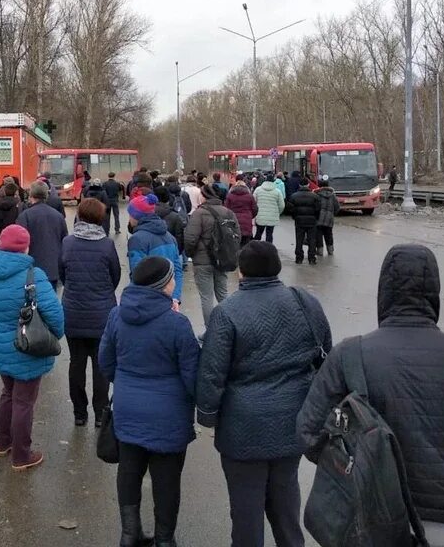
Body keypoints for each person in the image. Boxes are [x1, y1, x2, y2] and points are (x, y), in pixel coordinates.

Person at [298, 245, 444, 547]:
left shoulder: (348, 355)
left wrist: (360, 475)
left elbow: (309, 433)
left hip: (372, 524)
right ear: (434, 293)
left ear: (383, 292)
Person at [197, 241, 332, 547]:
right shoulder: (305, 302)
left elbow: (212, 372)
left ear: (241, 272)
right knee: (285, 502)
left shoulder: (227, 313)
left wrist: (207, 414)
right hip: (295, 419)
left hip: (243, 426)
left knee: (246, 511)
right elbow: (325, 353)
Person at [99, 256, 200, 547]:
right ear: (161, 286)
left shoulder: (117, 315)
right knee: (166, 480)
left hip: (127, 409)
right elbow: (192, 376)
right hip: (168, 416)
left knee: (129, 470)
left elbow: (106, 361)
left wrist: (128, 383)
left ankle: (129, 534)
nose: (174, 282)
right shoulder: (177, 324)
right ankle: (165, 540)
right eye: (171, 278)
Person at [0, 224, 64, 471]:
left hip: (0, 344)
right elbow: (55, 317)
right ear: (26, 246)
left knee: (8, 393)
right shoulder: (34, 276)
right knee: (24, 401)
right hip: (27, 347)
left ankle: (2, 443)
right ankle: (21, 456)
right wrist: (51, 337)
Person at [59, 199, 120, 427]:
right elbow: (115, 276)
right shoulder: (107, 245)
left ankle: (79, 413)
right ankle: (101, 414)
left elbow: (62, 273)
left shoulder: (67, 242)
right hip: (102, 313)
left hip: (73, 311)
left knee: (76, 362)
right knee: (101, 365)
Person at [184, 185, 240, 332]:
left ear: (205, 196)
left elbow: (190, 238)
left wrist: (191, 254)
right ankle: (229, 326)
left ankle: (210, 331)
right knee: (223, 293)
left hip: (202, 261)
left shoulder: (199, 213)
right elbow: (237, 236)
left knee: (206, 297)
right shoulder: (229, 212)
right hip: (222, 260)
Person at [127, 193, 183, 309]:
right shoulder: (169, 236)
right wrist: (175, 298)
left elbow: (138, 275)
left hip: (148, 301)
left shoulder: (137, 239)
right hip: (168, 298)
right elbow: (177, 269)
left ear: (136, 216)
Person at [16, 181, 68, 290]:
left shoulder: (25, 216)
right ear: (46, 195)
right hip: (53, 269)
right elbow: (65, 243)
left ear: (31, 195)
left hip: (31, 270)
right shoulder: (58, 216)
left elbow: (19, 245)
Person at [287, 182, 321, 265]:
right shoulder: (315, 196)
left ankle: (299, 258)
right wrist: (316, 218)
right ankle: (312, 258)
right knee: (312, 240)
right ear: (308, 185)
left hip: (299, 221)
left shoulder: (294, 196)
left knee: (299, 240)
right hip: (312, 221)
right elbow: (318, 209)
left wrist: (295, 217)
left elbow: (290, 209)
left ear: (299, 185)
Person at [225, 175, 259, 247]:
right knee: (245, 244)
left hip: (233, 221)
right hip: (246, 222)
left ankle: (236, 257)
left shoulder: (230, 196)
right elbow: (255, 209)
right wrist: (250, 216)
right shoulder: (250, 196)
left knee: (234, 244)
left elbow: (226, 209)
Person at [153, 186, 185, 258]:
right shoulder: (175, 216)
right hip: (171, 252)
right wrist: (178, 252)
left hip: (152, 252)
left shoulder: (146, 213)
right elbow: (179, 236)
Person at [253, 172, 284, 243]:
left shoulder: (258, 189)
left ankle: (255, 248)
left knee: (258, 233)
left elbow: (253, 202)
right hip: (272, 216)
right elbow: (282, 205)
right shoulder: (277, 191)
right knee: (269, 234)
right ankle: (269, 249)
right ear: (273, 181)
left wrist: (255, 212)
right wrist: (278, 212)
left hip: (260, 215)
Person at [313, 180, 341, 256]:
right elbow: (337, 207)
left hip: (318, 219)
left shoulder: (316, 195)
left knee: (318, 235)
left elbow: (314, 207)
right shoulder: (333, 196)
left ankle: (320, 251)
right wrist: (332, 214)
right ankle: (330, 251)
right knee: (329, 234)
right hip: (329, 219)